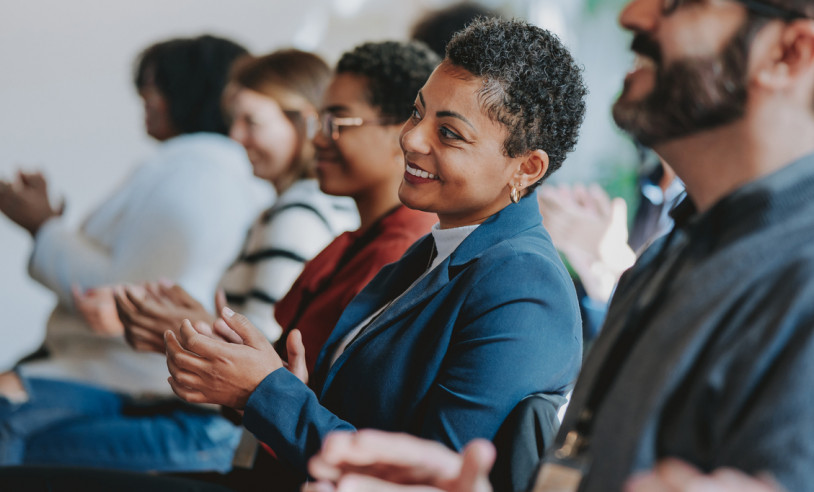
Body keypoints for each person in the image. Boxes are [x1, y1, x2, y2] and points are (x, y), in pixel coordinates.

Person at [305, 0, 814, 490]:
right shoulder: (670, 255)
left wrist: (274, 394)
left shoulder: (795, 277)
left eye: (681, 1)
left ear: (788, 53)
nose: (632, 14)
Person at [165, 18, 586, 488]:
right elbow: (369, 418)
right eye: (416, 113)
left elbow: (434, 478)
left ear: (527, 168)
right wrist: (284, 388)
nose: (411, 138)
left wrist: (269, 393)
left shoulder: (524, 284)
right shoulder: (437, 250)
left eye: (449, 133)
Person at [0, 35, 268, 472]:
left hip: (128, 376)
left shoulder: (197, 172)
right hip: (124, 373)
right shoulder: (204, 170)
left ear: (189, 91)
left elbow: (129, 294)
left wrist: (43, 227)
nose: (145, 96)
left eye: (155, 84)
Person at [114, 49, 360, 351]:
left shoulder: (299, 214)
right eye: (234, 121)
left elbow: (267, 352)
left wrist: (188, 328)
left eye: (252, 122)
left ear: (306, 122)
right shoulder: (307, 205)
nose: (236, 136)